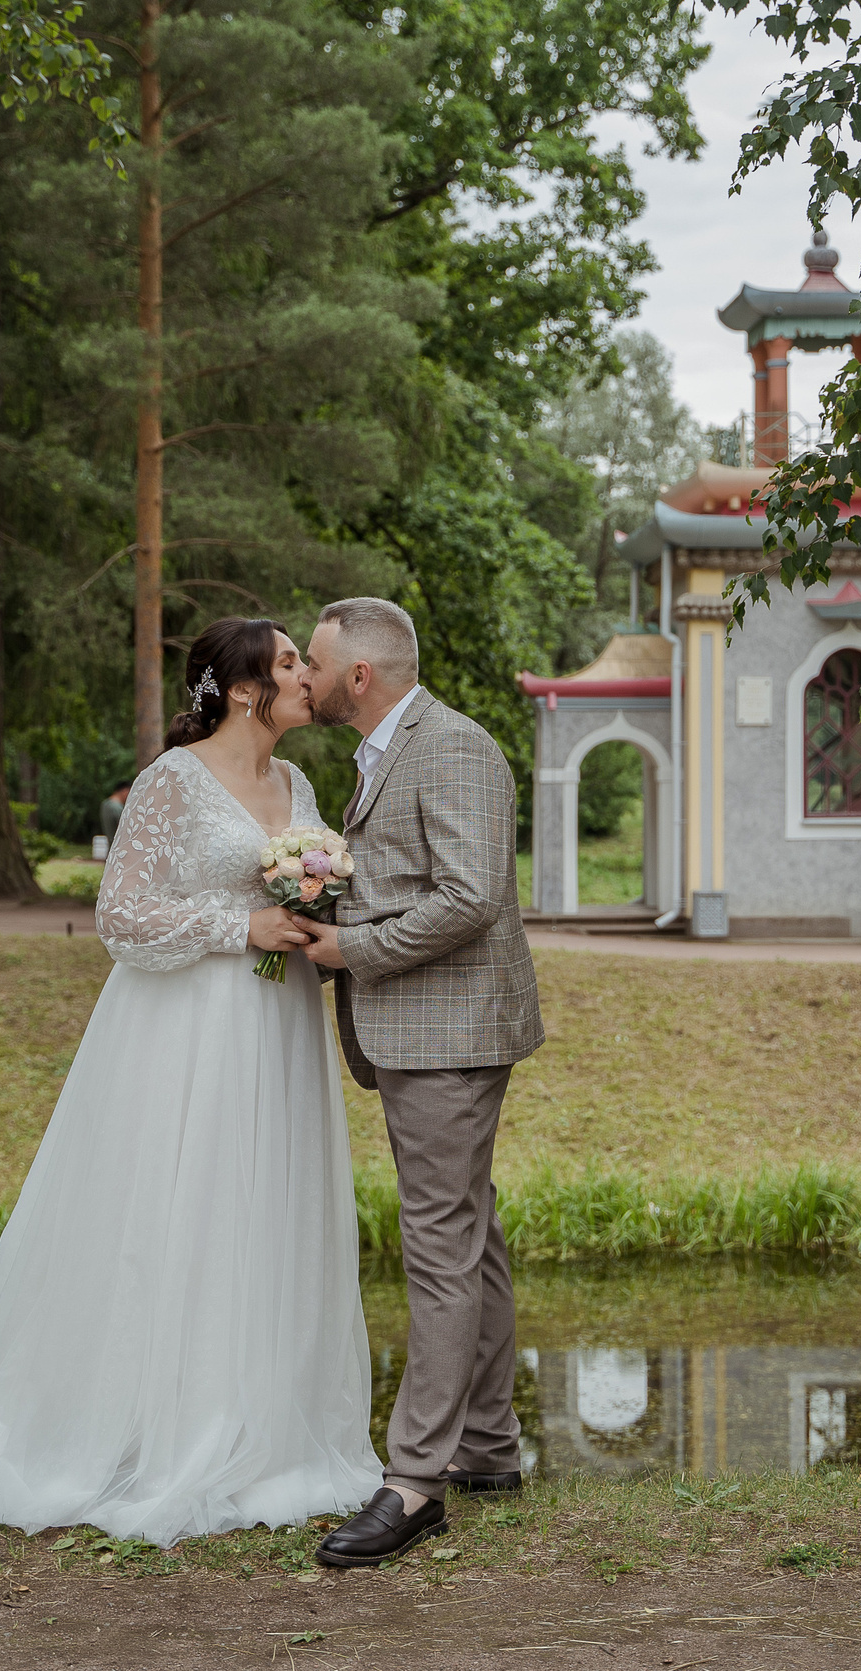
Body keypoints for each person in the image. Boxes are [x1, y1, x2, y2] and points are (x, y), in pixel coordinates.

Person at [0, 617, 380, 1544]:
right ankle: (160, 1431)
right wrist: (237, 925)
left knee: (265, 1208)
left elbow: (302, 889)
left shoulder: (298, 783)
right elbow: (121, 916)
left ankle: (265, 1430)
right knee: (186, 1210)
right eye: (290, 661)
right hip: (190, 1032)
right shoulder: (171, 781)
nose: (307, 676)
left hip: (277, 1025)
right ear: (247, 685)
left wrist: (310, 905)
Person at [299, 596, 545, 1568]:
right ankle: (487, 1446)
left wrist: (348, 945)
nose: (306, 680)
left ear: (359, 677)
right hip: (428, 1030)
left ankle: (414, 1487)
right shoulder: (389, 751)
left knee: (438, 1246)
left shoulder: (451, 747)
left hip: (446, 1034)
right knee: (469, 1233)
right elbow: (413, 874)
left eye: (314, 665)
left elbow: (471, 895)